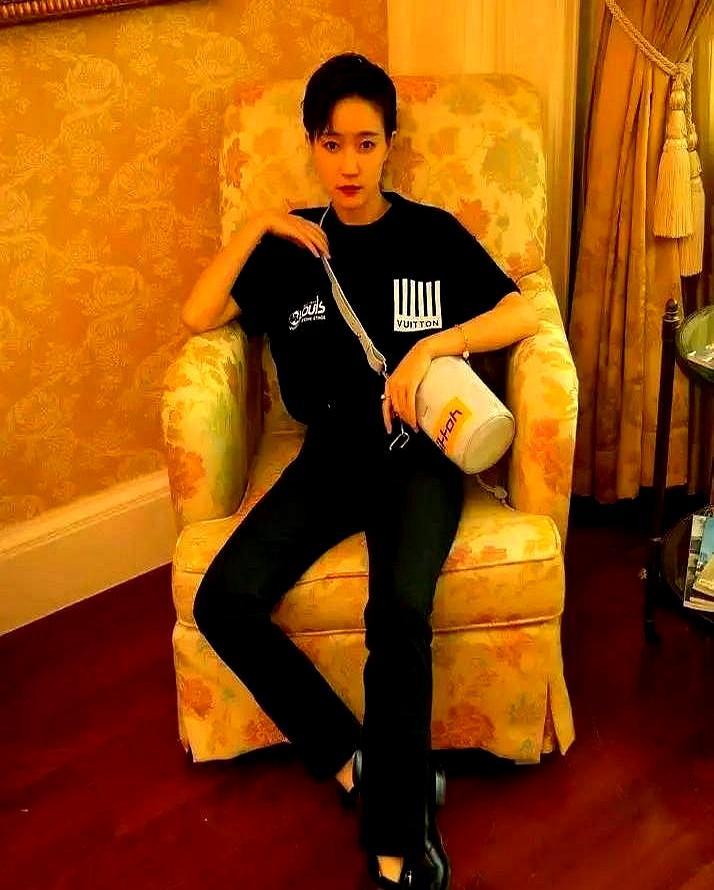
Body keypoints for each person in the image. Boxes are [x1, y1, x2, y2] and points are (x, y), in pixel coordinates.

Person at [182, 52, 538, 890]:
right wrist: (258, 224)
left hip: (418, 457)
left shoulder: (429, 233)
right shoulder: (290, 251)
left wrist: (438, 346)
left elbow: (520, 308)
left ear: (389, 146)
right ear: (312, 145)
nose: (349, 163)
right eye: (332, 143)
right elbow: (198, 313)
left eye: (366, 143)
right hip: (332, 457)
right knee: (222, 601)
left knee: (399, 614)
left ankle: (397, 842)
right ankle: (357, 760)